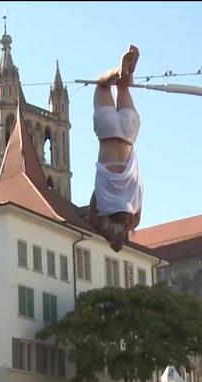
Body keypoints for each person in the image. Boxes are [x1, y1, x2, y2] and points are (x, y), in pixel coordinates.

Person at [89, 45, 143, 252]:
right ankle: (118, 71)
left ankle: (126, 74)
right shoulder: (102, 206)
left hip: (129, 134)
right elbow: (92, 216)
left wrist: (118, 234)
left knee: (123, 88)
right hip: (108, 134)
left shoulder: (134, 213)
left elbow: (140, 187)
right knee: (102, 86)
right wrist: (106, 234)